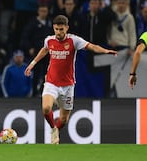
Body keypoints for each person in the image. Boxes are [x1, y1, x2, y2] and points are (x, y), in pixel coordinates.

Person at [24, 15, 117, 144]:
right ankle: (53, 129)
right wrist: (32, 64)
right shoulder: (49, 40)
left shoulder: (74, 41)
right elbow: (45, 50)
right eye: (56, 29)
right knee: (46, 108)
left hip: (68, 85)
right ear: (53, 28)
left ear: (66, 28)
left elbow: (92, 47)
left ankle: (57, 129)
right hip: (51, 82)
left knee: (64, 119)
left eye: (61, 29)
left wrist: (105, 51)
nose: (58, 32)